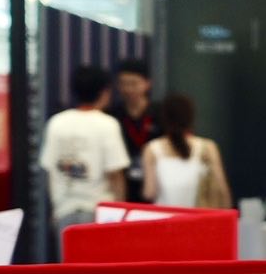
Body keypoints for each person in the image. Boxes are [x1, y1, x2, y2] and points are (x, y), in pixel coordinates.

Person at [39, 65, 130, 242]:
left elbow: (50, 171)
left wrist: (54, 209)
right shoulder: (107, 124)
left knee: (69, 259)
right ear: (104, 92)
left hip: (64, 210)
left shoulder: (56, 123)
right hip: (100, 211)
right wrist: (121, 211)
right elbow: (115, 175)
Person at [143, 94, 232, 208]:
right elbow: (222, 189)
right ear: (191, 118)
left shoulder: (152, 149)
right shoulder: (208, 147)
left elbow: (149, 192)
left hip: (164, 216)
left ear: (164, 119)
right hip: (198, 216)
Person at [109, 58, 157, 203]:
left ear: (147, 84)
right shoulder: (112, 116)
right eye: (123, 84)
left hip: (155, 186)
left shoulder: (160, 114)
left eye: (134, 83)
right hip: (123, 185)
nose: (128, 89)